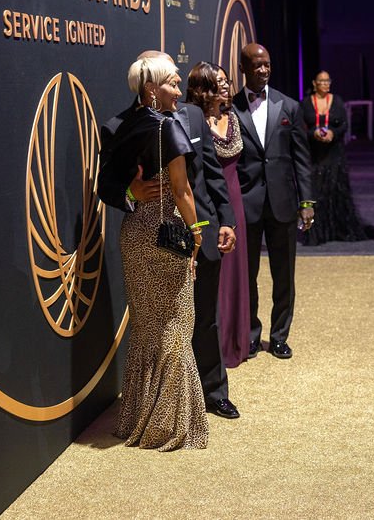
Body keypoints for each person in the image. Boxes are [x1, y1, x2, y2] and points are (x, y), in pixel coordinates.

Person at [97, 53, 208, 450]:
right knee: (177, 327)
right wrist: (198, 233)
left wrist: (130, 193)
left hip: (135, 235)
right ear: (151, 89)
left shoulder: (116, 126)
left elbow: (104, 185)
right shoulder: (167, 127)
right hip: (166, 233)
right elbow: (182, 192)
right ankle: (168, 426)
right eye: (174, 83)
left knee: (147, 330)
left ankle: (140, 418)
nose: (180, 91)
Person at [230, 43, 313, 360]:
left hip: (283, 203)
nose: (263, 70)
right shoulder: (231, 107)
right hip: (246, 204)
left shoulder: (289, 106)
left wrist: (308, 202)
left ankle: (279, 336)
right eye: (256, 65)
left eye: (267, 64)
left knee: (284, 274)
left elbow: (301, 160)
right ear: (243, 68)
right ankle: (251, 334)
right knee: (247, 275)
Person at [186, 61, 252, 370]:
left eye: (227, 80)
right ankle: (214, 349)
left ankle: (236, 341)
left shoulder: (234, 117)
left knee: (237, 272)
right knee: (215, 278)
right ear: (203, 89)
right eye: (219, 81)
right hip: (204, 204)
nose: (226, 86)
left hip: (233, 201)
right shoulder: (190, 121)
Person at [299, 70, 366, 245]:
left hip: (334, 153)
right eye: (321, 81)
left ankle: (339, 230)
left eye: (328, 81)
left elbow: (344, 124)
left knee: (336, 190)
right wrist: (313, 133)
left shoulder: (337, 101)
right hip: (315, 154)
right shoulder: (306, 103)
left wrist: (333, 133)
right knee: (317, 192)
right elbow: (300, 127)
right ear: (314, 83)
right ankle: (317, 233)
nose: (325, 84)